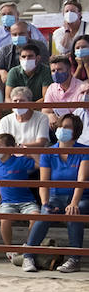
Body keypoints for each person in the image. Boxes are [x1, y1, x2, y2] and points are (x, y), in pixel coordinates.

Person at [23, 113, 88, 273]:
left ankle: (74, 258)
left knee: (74, 212)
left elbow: (82, 180)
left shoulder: (85, 151)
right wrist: (45, 203)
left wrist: (73, 203)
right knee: (44, 214)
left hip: (81, 197)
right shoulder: (48, 152)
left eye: (66, 127)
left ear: (76, 131)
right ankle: (28, 256)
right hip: (55, 197)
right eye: (60, 126)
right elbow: (44, 183)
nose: (62, 130)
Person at [0, 133, 40, 264]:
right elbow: (1, 180)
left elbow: (40, 165)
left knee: (36, 217)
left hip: (27, 201)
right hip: (7, 202)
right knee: (4, 219)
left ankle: (29, 246)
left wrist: (29, 152)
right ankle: (9, 248)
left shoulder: (21, 161)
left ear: (10, 147)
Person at [0, 2, 46, 74]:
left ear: (17, 14)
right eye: (3, 15)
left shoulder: (29, 28)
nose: (6, 17)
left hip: (31, 65)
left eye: (10, 14)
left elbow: (41, 47)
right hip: (5, 68)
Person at [0, 21, 48, 88]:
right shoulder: (5, 50)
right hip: (12, 83)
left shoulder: (40, 46)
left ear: (29, 34)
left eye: (21, 34)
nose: (18, 37)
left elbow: (46, 68)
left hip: (35, 81)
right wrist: (2, 72)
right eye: (14, 34)